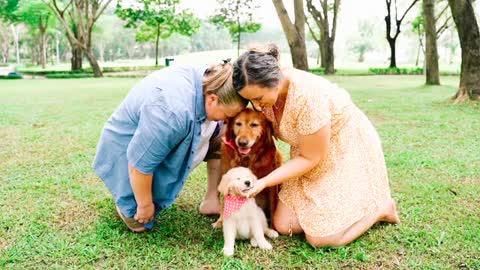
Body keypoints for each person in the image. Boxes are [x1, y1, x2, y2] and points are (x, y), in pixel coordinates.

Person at [232, 44, 400, 247]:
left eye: (258, 98)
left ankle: (381, 208)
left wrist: (265, 182)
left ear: (274, 80)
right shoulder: (265, 93)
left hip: (344, 146)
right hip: (308, 151)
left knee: (321, 238)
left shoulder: (307, 97)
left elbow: (311, 158)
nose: (257, 106)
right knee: (285, 226)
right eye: (250, 100)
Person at [93, 61, 247, 232]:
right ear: (212, 99)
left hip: (175, 125)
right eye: (226, 115)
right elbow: (139, 164)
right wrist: (145, 205)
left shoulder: (210, 80)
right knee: (139, 224)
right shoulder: (172, 112)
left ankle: (211, 199)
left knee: (222, 133)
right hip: (125, 150)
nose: (226, 120)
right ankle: (126, 196)